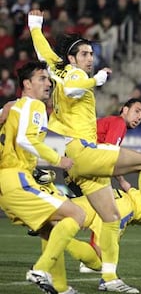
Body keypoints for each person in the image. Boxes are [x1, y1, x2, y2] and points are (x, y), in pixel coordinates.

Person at [28, 10, 141, 293]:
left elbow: (43, 51)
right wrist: (95, 80)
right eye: (85, 54)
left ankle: (109, 279)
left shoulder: (57, 67)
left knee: (110, 219)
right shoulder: (76, 74)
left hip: (71, 158)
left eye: (91, 53)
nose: (90, 57)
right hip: (82, 150)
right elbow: (75, 88)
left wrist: (35, 26)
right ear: (73, 59)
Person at [0, 61, 85, 294]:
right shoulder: (34, 105)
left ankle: (59, 287)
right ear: (27, 84)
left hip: (7, 184)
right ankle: (40, 269)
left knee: (50, 227)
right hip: (17, 179)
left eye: (48, 79)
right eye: (42, 78)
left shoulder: (15, 107)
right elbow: (26, 140)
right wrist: (58, 159)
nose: (48, 83)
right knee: (77, 213)